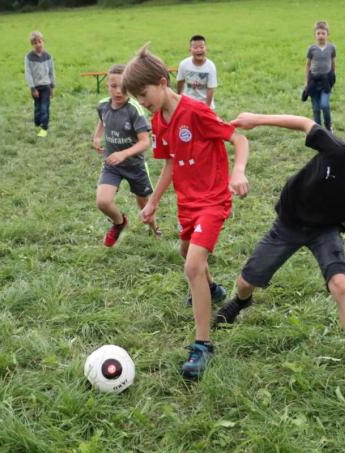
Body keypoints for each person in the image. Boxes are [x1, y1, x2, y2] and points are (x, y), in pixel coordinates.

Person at [213, 112, 345, 385]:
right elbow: (304, 123)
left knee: (341, 285)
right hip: (289, 222)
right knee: (246, 281)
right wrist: (256, 119)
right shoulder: (339, 153)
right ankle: (241, 301)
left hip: (326, 229)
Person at [122, 45, 249, 380]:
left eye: (144, 93)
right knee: (185, 252)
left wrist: (238, 172)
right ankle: (215, 290)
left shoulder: (196, 112)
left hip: (213, 200)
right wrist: (152, 202)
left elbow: (238, 139)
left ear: (163, 82)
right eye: (136, 96)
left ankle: (203, 345)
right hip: (188, 202)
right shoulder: (157, 121)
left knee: (192, 265)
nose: (142, 100)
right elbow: (169, 164)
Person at [91, 64, 161, 247]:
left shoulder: (134, 109)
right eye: (113, 86)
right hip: (112, 164)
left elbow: (145, 142)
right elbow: (102, 120)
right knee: (102, 202)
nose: (118, 91)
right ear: (107, 86)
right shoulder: (103, 105)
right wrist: (97, 136)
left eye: (123, 86)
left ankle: (154, 228)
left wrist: (124, 154)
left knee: (144, 204)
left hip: (134, 166)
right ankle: (119, 222)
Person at [302, 21, 336, 131]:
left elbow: (333, 63)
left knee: (324, 105)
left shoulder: (331, 48)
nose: (320, 36)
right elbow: (307, 65)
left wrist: (332, 78)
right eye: (318, 33)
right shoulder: (311, 49)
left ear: (327, 34)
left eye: (323, 33)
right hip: (313, 81)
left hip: (326, 81)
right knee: (316, 108)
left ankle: (328, 126)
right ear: (315, 35)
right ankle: (318, 130)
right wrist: (306, 81)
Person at [25, 31, 56, 138]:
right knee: (37, 108)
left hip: (46, 86)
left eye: (40, 42)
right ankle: (37, 123)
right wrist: (32, 88)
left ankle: (44, 128)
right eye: (35, 43)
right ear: (32, 45)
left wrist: (52, 86)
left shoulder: (48, 56)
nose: (38, 44)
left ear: (43, 41)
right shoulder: (29, 57)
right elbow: (28, 73)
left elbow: (52, 72)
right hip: (36, 87)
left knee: (44, 107)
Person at [176, 35, 218, 109]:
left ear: (206, 49)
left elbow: (210, 89)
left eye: (201, 47)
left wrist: (207, 108)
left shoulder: (210, 66)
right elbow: (180, 82)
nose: (199, 50)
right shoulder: (184, 64)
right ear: (190, 50)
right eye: (195, 48)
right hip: (188, 102)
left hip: (204, 103)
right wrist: (178, 100)